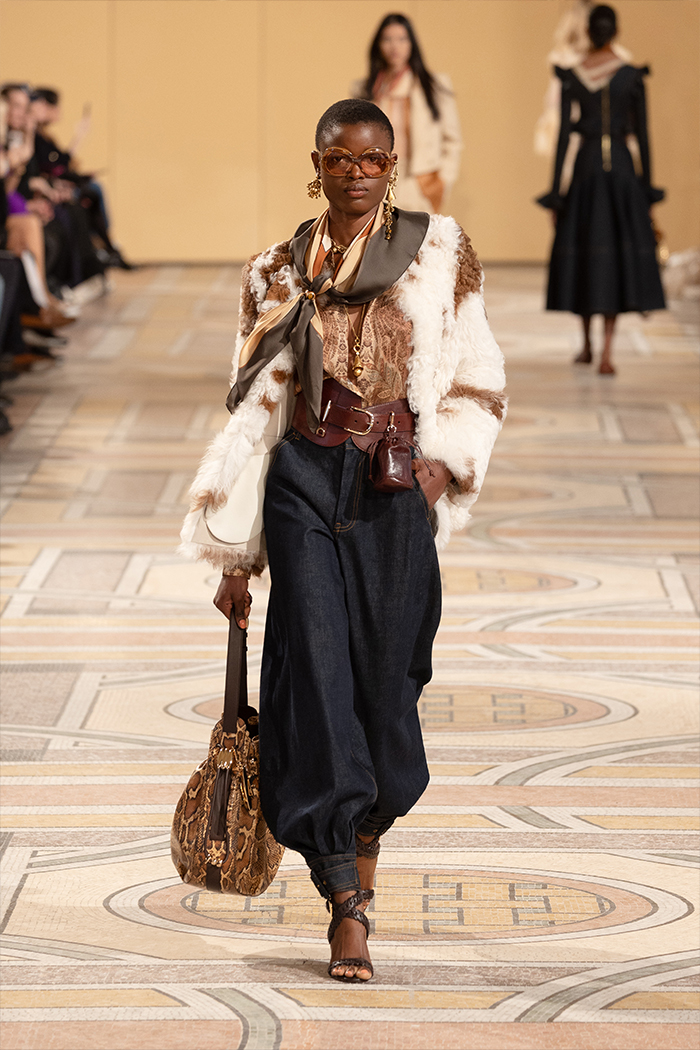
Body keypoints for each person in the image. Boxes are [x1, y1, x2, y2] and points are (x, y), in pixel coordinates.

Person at [180, 98, 505, 982]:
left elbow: (477, 373)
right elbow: (255, 409)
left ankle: (365, 836)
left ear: (391, 166)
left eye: (371, 160)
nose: (355, 173)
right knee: (316, 677)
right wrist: (236, 558)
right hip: (302, 480)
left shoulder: (440, 252)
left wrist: (441, 469)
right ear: (316, 164)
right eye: (339, 158)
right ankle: (345, 902)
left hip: (394, 488)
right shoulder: (275, 271)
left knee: (387, 691)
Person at [537, 4, 665, 375]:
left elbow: (564, 137)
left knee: (585, 253)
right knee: (614, 257)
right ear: (615, 32)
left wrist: (556, 192)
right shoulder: (631, 75)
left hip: (587, 171)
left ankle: (589, 345)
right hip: (622, 172)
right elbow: (643, 135)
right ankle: (606, 350)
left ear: (589, 32)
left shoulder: (573, 75)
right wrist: (647, 188)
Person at [352, 13, 461, 214]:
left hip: (418, 180)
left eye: (402, 39)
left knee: (417, 233)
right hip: (377, 180)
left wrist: (442, 182)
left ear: (412, 44)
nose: (395, 46)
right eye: (387, 39)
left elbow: (452, 140)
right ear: (378, 45)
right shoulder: (365, 90)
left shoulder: (433, 86)